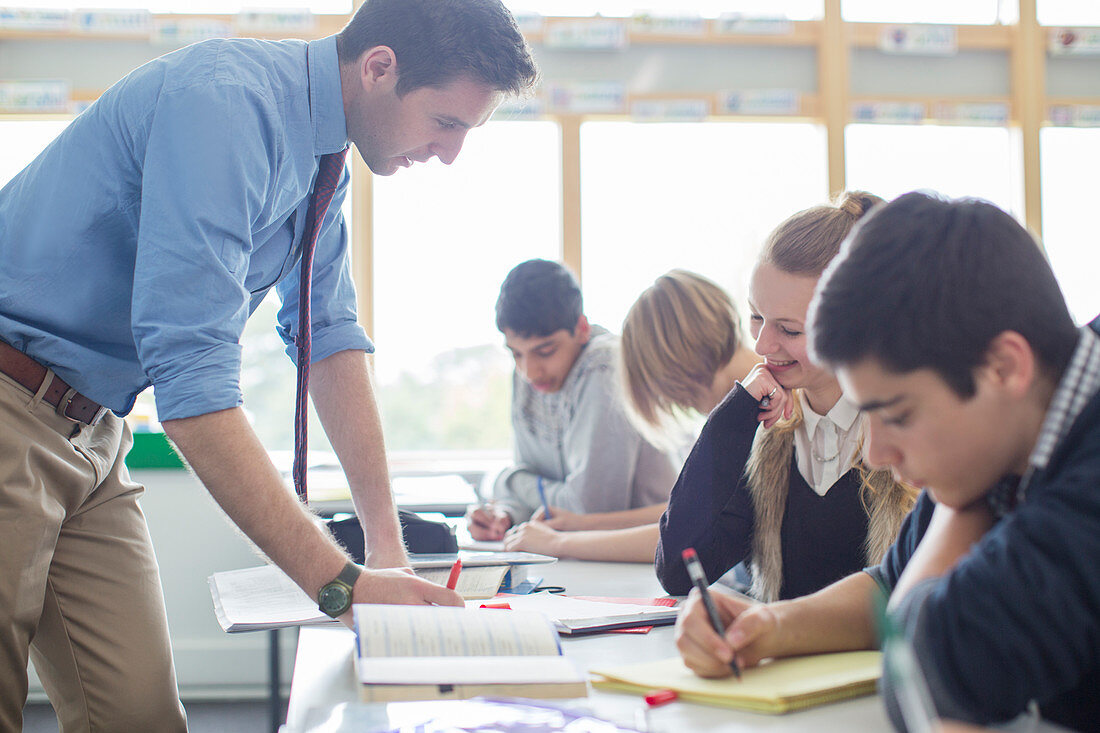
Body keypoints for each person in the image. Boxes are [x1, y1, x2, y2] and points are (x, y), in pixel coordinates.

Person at [0, 0, 537, 729]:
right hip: (11, 404)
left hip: (91, 429)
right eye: (446, 124)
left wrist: (387, 550)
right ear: (380, 67)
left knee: (141, 717)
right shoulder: (227, 106)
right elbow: (193, 385)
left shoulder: (323, 160)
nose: (449, 154)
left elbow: (329, 337)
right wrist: (340, 583)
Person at [674, 192, 1100, 731]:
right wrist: (769, 625)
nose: (875, 453)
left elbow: (929, 674)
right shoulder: (1021, 419)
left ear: (1004, 367)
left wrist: (959, 506)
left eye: (896, 413)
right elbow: (892, 583)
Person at [656, 192, 917, 602]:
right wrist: (732, 418)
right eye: (756, 317)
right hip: (782, 659)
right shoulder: (769, 435)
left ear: (856, 323)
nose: (761, 345)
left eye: (789, 330)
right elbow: (679, 569)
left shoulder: (911, 436)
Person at [501, 269, 758, 561]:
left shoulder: (759, 416)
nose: (670, 401)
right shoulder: (739, 412)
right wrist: (580, 526)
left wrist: (558, 541)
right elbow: (683, 514)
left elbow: (682, 536)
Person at [467, 259, 679, 541]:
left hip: (645, 557)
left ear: (581, 328)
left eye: (545, 351)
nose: (529, 371)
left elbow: (586, 508)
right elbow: (538, 482)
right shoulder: (530, 373)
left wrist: (506, 481)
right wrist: (506, 515)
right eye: (516, 353)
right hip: (578, 552)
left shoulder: (606, 365)